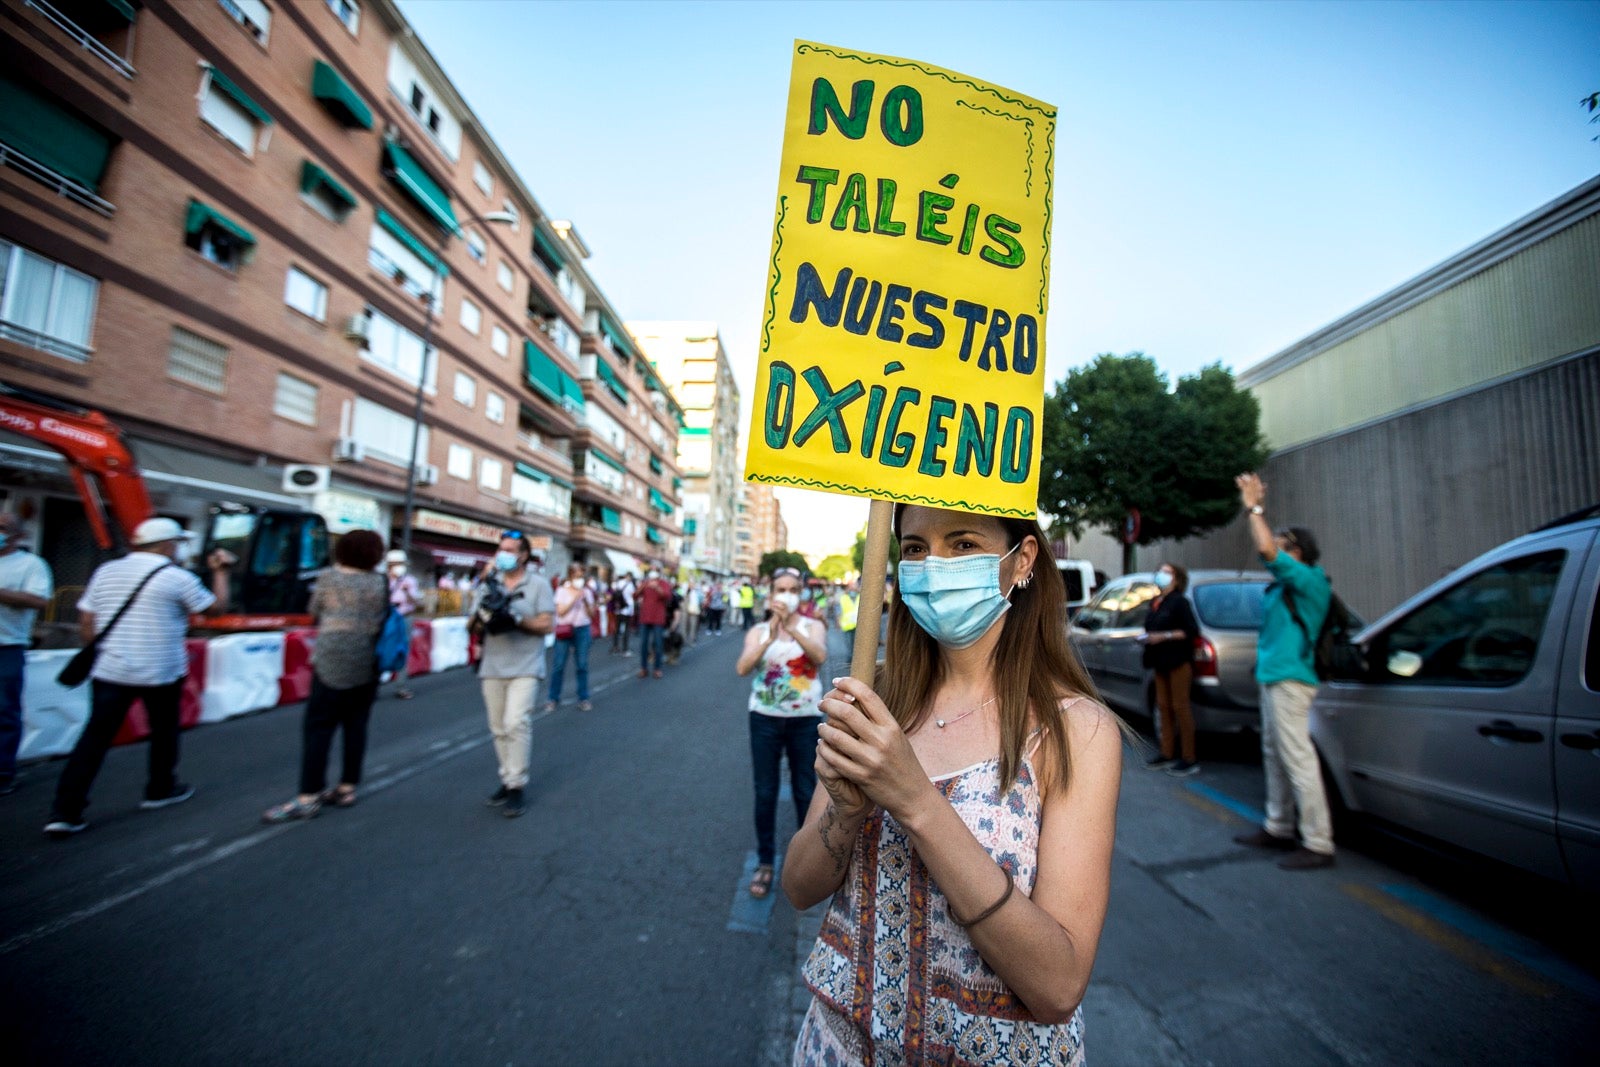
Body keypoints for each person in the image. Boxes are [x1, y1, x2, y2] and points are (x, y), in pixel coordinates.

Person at [783, 504, 1124, 1064]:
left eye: (963, 544)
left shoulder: (1076, 732)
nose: (934, 566)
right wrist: (843, 816)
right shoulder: (873, 701)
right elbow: (800, 889)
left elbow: (1058, 987)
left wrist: (916, 801)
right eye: (915, 549)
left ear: (1023, 560)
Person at [45, 518, 235, 839]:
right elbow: (216, 610)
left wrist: (99, 652)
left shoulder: (106, 572)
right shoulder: (177, 578)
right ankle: (160, 789)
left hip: (110, 669)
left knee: (94, 739)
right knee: (163, 732)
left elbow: (87, 619)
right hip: (160, 669)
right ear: (167, 545)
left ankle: (66, 810)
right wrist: (221, 572)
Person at [1230, 472, 1335, 871]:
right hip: (1274, 677)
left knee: (1297, 757)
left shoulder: (1310, 580)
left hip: (1292, 679)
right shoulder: (1285, 586)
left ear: (1301, 552)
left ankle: (1319, 841)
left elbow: (1266, 550)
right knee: (1274, 754)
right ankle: (1279, 826)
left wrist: (1254, 508)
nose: (1276, 547)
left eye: (1285, 545)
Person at [262, 530, 389, 822]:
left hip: (331, 659)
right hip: (367, 660)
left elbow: (314, 611)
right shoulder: (380, 581)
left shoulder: (328, 578)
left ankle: (308, 796)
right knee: (356, 726)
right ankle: (347, 787)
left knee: (319, 727)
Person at [735, 566, 828, 899]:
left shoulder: (812, 625)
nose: (786, 594)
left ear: (800, 593)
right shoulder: (758, 631)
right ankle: (765, 862)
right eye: (780, 589)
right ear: (770, 595)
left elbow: (819, 656)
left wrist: (792, 628)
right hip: (764, 718)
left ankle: (808, 861)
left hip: (804, 719)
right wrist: (771, 634)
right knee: (765, 791)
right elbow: (743, 668)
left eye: (793, 588)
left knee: (806, 788)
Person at [471, 532, 554, 818]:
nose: (502, 554)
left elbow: (547, 624)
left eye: (508, 550)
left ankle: (517, 785)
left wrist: (517, 619)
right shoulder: (488, 585)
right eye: (500, 549)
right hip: (492, 665)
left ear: (522, 556)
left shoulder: (538, 585)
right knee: (498, 727)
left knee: (515, 722)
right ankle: (507, 779)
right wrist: (484, 616)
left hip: (526, 666)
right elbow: (473, 623)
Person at [0, 513, 52, 796]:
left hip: (6, 647)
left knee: (4, 712)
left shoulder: (31, 565)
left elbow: (39, 600)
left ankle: (3, 772)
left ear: (18, 535)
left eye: (3, 528)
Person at [1140, 562, 1201, 777]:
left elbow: (1191, 631)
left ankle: (1189, 757)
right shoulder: (1157, 602)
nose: (1161, 576)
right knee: (1163, 706)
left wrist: (1163, 636)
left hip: (1178, 661)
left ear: (1176, 578)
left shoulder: (1180, 602)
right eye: (1160, 572)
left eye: (1167, 573)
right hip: (1160, 661)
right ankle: (1167, 752)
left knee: (1180, 707)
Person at [545, 561, 595, 713]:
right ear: (571, 575)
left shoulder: (587, 592)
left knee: (582, 664)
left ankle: (583, 697)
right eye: (577, 575)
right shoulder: (562, 591)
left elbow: (592, 615)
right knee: (559, 664)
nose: (579, 578)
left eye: (582, 575)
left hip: (582, 629)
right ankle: (553, 698)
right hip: (565, 629)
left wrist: (585, 600)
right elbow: (560, 612)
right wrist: (574, 599)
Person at [385, 550, 421, 699]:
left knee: (402, 650)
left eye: (400, 564)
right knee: (380, 649)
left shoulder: (410, 580)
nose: (398, 567)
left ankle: (401, 686)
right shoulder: (383, 580)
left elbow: (415, 601)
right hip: (387, 617)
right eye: (395, 564)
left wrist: (406, 591)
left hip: (405, 617)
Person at [635, 568, 671, 678]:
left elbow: (667, 596)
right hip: (645, 618)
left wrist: (657, 587)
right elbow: (635, 595)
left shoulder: (664, 583)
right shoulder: (645, 583)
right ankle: (643, 668)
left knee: (658, 644)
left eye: (655, 570)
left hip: (657, 619)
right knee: (643, 644)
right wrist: (642, 586)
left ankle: (657, 668)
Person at [610, 573, 635, 655]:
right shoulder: (631, 585)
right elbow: (633, 596)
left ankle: (615, 647)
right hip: (627, 609)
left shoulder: (619, 583)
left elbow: (614, 592)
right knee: (626, 630)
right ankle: (625, 649)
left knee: (617, 629)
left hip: (619, 609)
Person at [684, 581, 703, 646]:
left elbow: (701, 600)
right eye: (691, 584)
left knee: (693, 626)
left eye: (693, 584)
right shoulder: (687, 591)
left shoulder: (698, 592)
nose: (692, 585)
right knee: (686, 626)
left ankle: (691, 640)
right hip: (686, 611)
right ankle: (685, 639)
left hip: (695, 611)